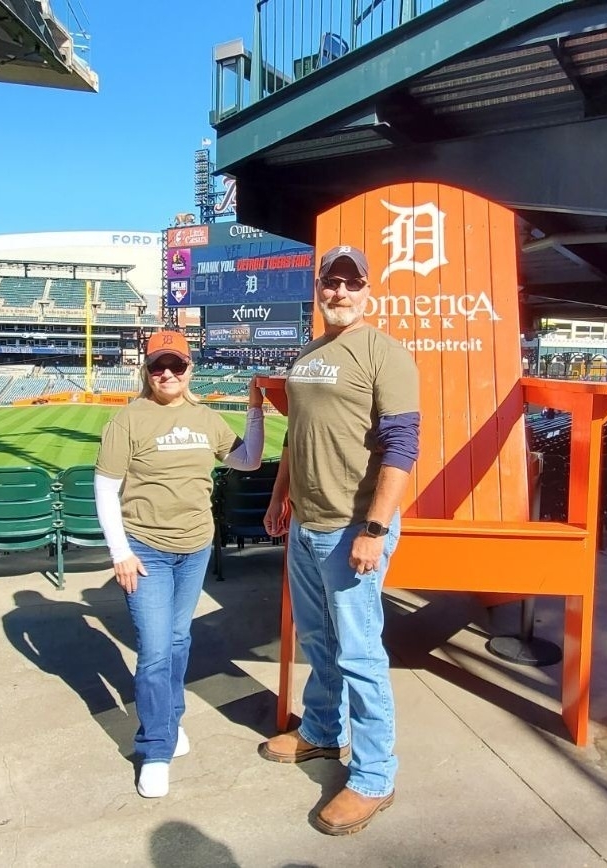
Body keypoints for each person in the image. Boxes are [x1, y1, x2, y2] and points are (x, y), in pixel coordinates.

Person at [261, 245, 420, 836]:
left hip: (353, 526)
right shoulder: (307, 354)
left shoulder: (385, 353)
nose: (341, 292)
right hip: (307, 525)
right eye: (332, 281)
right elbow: (295, 434)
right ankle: (323, 732)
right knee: (319, 639)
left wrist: (374, 529)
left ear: (368, 290)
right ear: (319, 287)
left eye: (352, 283)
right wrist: (280, 494)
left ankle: (375, 776)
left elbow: (403, 447)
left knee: (360, 654)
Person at [94, 331, 265, 799]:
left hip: (194, 547)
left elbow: (248, 460)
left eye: (176, 365)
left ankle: (170, 720)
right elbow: (105, 487)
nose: (167, 373)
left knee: (177, 639)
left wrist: (255, 408)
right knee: (154, 650)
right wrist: (120, 553)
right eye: (158, 366)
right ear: (146, 371)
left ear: (190, 369)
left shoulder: (205, 418)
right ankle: (155, 748)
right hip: (145, 549)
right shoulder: (128, 420)